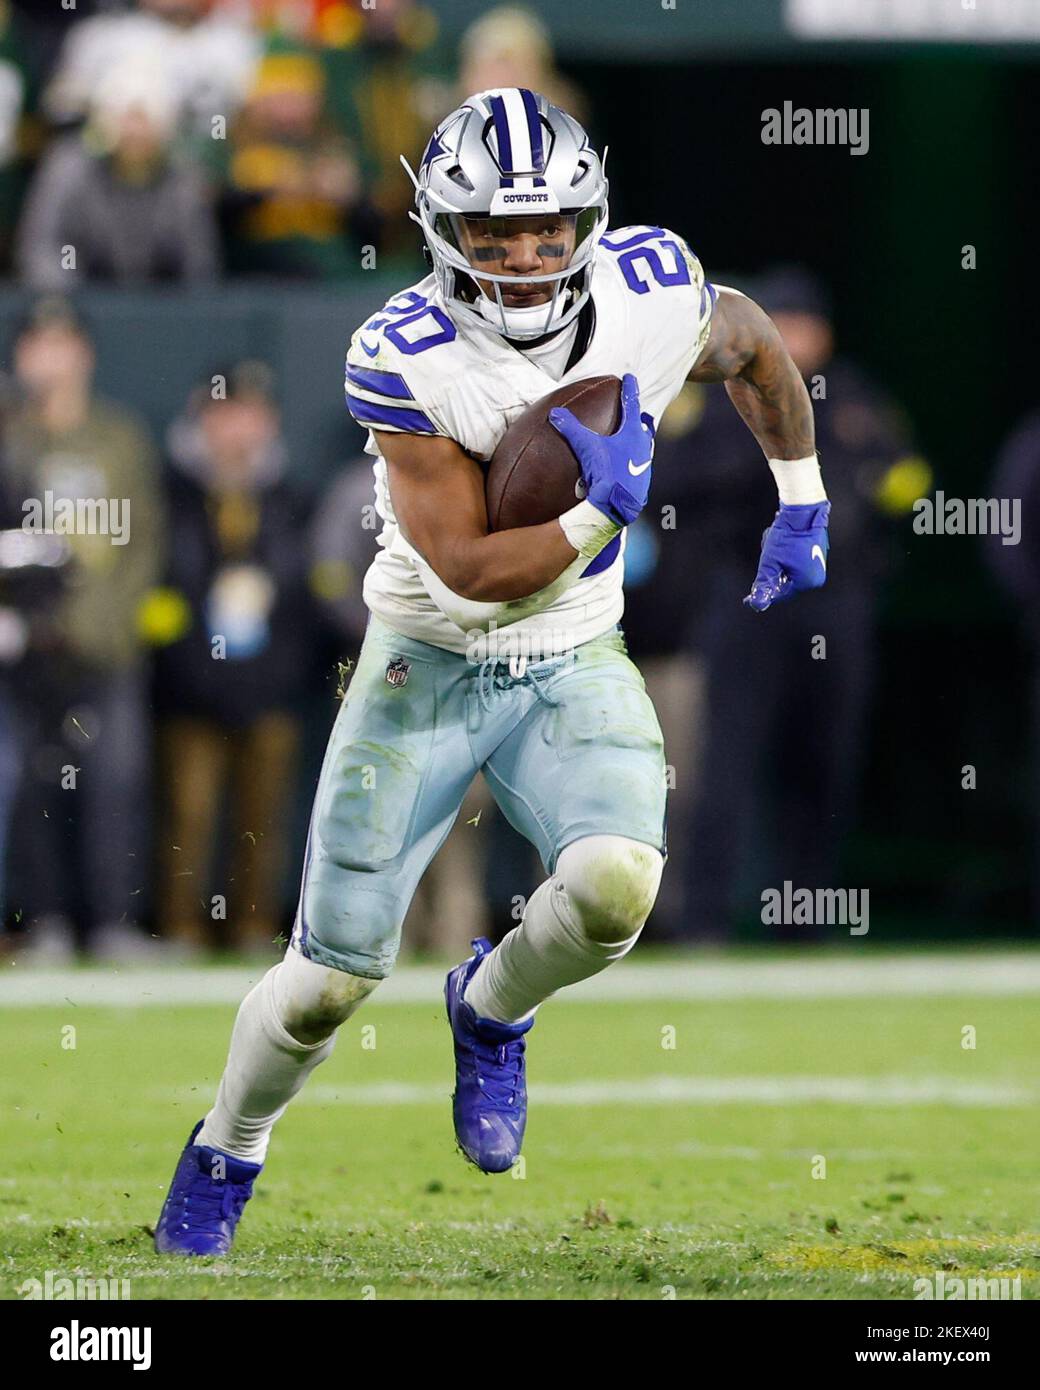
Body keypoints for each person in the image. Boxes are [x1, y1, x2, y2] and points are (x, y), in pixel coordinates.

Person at [154, 87, 830, 1255]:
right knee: (325, 983)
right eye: (494, 234)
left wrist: (802, 491)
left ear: (588, 218)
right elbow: (467, 567)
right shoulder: (402, 353)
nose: (524, 256)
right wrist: (596, 516)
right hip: (426, 661)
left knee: (618, 886)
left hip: (570, 653)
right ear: (443, 233)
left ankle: (488, 1004)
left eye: (548, 228)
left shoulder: (649, 285)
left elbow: (753, 344)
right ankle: (229, 1144)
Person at [682, 267, 925, 939]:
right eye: (780, 323)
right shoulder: (724, 398)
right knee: (725, 762)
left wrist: (879, 511)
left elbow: (904, 482)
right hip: (750, 600)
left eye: (805, 324)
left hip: (836, 603)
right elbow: (680, 485)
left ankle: (805, 922)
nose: (795, 337)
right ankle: (703, 924)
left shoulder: (857, 400)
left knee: (821, 763)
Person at [3, 296, 165, 960]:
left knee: (115, 781)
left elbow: (143, 545)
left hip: (105, 648)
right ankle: (43, 924)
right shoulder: (10, 437)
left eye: (64, 343)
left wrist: (96, 622)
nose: (52, 359)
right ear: (19, 356)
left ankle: (115, 924)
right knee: (29, 785)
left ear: (86, 354)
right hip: (23, 653)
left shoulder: (120, 437)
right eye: (39, 345)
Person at [152, 361, 317, 953]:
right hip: (189, 687)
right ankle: (179, 928)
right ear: (204, 419)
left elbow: (303, 600)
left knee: (264, 816)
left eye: (251, 414)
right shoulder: (170, 494)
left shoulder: (289, 499)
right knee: (187, 814)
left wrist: (276, 676)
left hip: (268, 686)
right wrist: (192, 671)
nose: (240, 429)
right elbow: (162, 592)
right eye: (227, 414)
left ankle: (251, 925)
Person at [16, 63, 220, 288]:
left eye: (145, 119)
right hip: (81, 308)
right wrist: (69, 301)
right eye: (125, 118)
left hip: (160, 312)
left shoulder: (184, 181)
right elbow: (46, 247)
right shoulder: (69, 169)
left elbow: (198, 266)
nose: (134, 131)